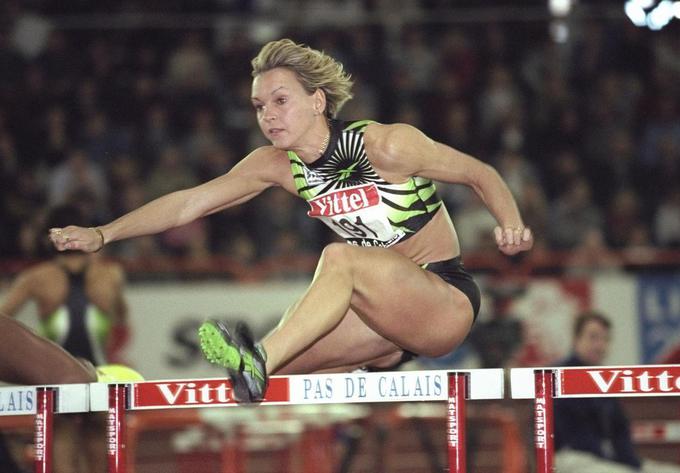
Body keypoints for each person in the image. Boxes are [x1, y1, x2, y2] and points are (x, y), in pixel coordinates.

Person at [49, 38, 533, 403]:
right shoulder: (276, 166)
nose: (268, 117)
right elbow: (188, 204)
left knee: (339, 261)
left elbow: (478, 172)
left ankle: (263, 357)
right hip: (384, 318)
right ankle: (349, 364)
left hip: (444, 298)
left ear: (318, 101)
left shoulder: (384, 145)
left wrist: (510, 223)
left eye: (280, 101)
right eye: (260, 106)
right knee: (279, 371)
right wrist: (103, 232)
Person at [1, 204, 138, 473]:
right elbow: (122, 320)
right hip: (99, 372)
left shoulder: (36, 278)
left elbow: (4, 323)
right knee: (101, 444)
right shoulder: (111, 275)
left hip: (55, 376)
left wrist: (35, 343)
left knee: (61, 434)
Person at [554, 311, 680, 473]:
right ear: (576, 339)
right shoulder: (560, 375)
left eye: (605, 339)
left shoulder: (605, 380)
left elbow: (620, 430)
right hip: (570, 457)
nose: (600, 345)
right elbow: (574, 436)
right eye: (593, 337)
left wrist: (632, 463)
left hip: (608, 460)